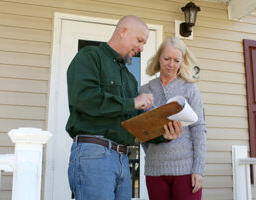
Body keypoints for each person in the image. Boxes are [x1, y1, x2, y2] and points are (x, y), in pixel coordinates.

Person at [65, 15, 182, 200]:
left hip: (122, 159)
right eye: (140, 40)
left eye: (144, 43)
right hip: (94, 154)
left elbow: (134, 121)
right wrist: (133, 102)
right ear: (123, 31)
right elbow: (84, 99)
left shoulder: (129, 78)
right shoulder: (90, 57)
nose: (142, 47)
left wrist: (164, 134)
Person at [140, 36, 207, 200]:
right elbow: (142, 132)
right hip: (155, 170)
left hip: (186, 170)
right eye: (167, 58)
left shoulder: (190, 89)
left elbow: (199, 129)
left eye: (176, 60)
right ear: (159, 58)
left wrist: (198, 169)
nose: (171, 64)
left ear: (182, 61)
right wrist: (151, 154)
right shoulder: (145, 90)